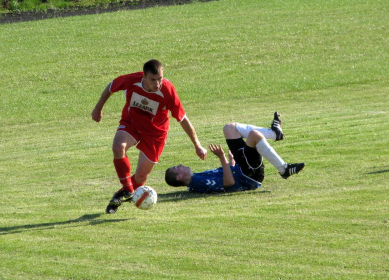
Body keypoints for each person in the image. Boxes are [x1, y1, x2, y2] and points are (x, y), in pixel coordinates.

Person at [92, 59, 207, 213]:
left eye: (160, 78)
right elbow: (111, 86)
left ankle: (120, 194)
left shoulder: (168, 90)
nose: (157, 83)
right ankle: (127, 189)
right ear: (144, 76)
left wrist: (197, 145)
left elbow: (183, 119)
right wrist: (98, 107)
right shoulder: (132, 80)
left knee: (140, 177)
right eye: (153, 80)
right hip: (132, 124)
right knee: (118, 147)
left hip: (155, 134)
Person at [165, 112, 305, 193]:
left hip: (240, 168)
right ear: (179, 177)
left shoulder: (196, 178)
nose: (181, 165)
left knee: (229, 128)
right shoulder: (198, 183)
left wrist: (231, 161)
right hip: (248, 175)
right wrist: (221, 157)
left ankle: (274, 134)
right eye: (177, 167)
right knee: (254, 135)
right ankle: (284, 169)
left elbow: (224, 176)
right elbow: (229, 182)